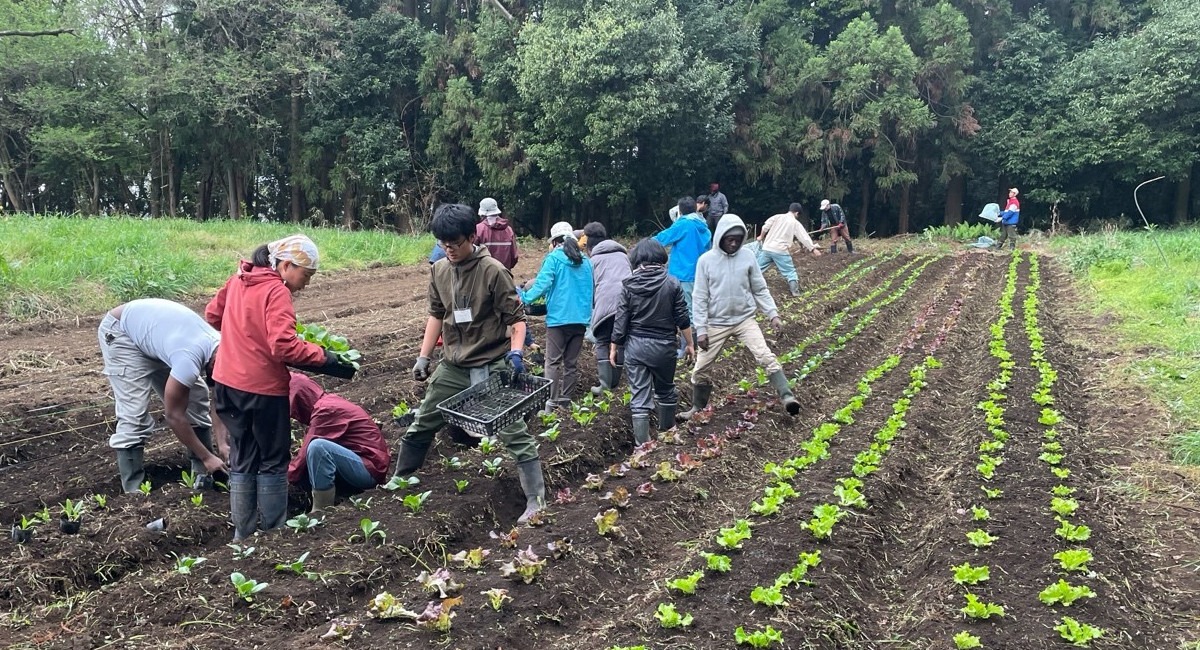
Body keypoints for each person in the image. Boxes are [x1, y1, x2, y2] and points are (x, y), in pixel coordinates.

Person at [395, 203, 545, 524]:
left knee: (513, 432)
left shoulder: (493, 271)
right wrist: (424, 356)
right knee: (423, 421)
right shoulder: (439, 270)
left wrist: (516, 354)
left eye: (455, 243)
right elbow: (437, 315)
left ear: (471, 237)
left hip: (492, 363)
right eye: (443, 243)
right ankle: (400, 480)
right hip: (453, 367)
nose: (449, 249)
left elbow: (516, 320)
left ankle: (535, 499)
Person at [205, 234, 352, 540]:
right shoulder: (276, 290)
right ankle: (274, 535)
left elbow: (213, 315)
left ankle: (242, 536)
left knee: (243, 455)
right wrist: (325, 357)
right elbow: (284, 345)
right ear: (286, 266)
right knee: (272, 460)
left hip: (227, 384)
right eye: (306, 275)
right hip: (262, 388)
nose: (306, 284)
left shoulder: (239, 279)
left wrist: (244, 333)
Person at [98, 298, 228, 493]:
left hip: (158, 335)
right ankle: (134, 491)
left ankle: (203, 474)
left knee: (196, 400)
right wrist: (208, 456)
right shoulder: (188, 360)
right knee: (134, 413)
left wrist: (223, 444)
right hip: (122, 333)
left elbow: (219, 398)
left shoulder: (226, 349)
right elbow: (173, 415)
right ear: (214, 363)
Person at [679, 214, 801, 421]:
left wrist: (773, 314)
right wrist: (701, 329)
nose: (734, 243)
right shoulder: (705, 261)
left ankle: (787, 397)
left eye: (738, 239)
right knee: (701, 369)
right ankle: (697, 408)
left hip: (744, 320)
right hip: (716, 323)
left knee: (765, 356)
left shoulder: (748, 257)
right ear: (720, 238)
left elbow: (760, 289)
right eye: (730, 239)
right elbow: (699, 297)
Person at [610, 239, 694, 444]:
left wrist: (614, 346)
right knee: (665, 390)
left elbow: (621, 320)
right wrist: (690, 344)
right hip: (665, 346)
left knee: (639, 397)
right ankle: (667, 434)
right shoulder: (672, 283)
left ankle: (643, 445)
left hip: (636, 347)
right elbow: (683, 318)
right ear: (661, 258)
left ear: (637, 260)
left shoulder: (628, 285)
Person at [287, 373, 390, 513]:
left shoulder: (325, 410)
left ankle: (321, 509)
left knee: (318, 447)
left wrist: (286, 477)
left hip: (370, 470)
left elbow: (306, 453)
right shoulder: (326, 403)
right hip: (362, 463)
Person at [520, 222, 594, 410]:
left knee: (552, 362)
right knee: (571, 363)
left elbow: (542, 284)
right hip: (580, 319)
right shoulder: (586, 261)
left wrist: (524, 298)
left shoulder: (553, 258)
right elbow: (591, 290)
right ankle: (565, 402)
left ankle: (551, 402)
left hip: (559, 319)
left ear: (554, 242)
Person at [655, 197, 711, 359]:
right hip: (698, 273)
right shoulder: (703, 225)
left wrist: (644, 246)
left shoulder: (683, 224)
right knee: (695, 307)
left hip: (683, 273)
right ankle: (697, 341)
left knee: (683, 310)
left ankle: (688, 346)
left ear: (680, 210)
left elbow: (662, 238)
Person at [583, 222, 631, 396]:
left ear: (589, 247)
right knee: (620, 341)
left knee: (603, 341)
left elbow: (590, 289)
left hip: (605, 305)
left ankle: (604, 386)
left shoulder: (593, 261)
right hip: (628, 304)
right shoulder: (623, 256)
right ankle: (615, 383)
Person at [757, 203, 822, 296]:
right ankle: (795, 292)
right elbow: (804, 237)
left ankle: (745, 282)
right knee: (790, 272)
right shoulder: (794, 223)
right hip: (780, 250)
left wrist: (761, 236)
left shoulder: (777, 217)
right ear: (797, 213)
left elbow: (765, 227)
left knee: (757, 269)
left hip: (767, 248)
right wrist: (813, 249)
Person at [476, 197, 520, 270]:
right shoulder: (508, 230)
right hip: (505, 273)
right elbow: (514, 257)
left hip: (485, 273)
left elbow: (472, 254)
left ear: (482, 214)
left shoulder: (478, 229)